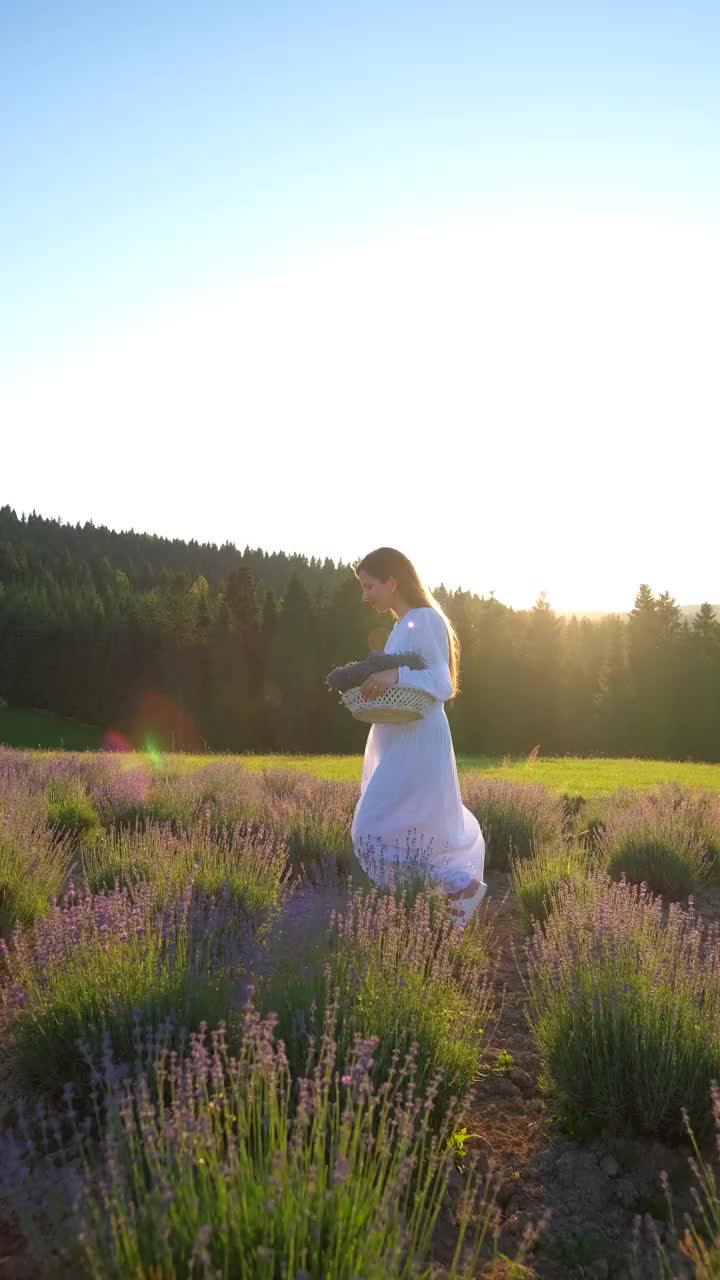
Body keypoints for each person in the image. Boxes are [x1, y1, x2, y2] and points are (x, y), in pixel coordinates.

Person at [350, 547, 487, 923]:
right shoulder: (403, 623)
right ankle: (422, 912)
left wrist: (394, 676)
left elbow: (442, 683)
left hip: (417, 739)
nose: (365, 595)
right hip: (402, 737)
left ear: (392, 582)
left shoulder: (423, 619)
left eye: (369, 586)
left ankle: (461, 884)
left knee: (370, 828)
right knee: (407, 830)